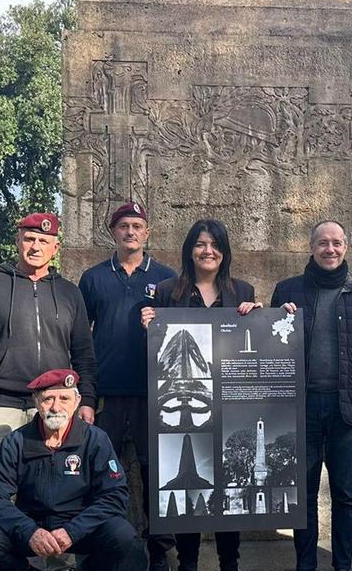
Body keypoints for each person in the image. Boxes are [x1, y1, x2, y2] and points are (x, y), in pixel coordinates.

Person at [0, 212, 97, 522]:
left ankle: (58, 563)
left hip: (54, 405)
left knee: (58, 486)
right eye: (30, 239)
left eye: (44, 241)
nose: (36, 246)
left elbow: (84, 353)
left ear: (55, 248)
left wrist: (86, 399)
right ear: (18, 240)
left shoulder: (70, 293)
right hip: (0, 403)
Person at [141, 219, 261, 571]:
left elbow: (257, 346)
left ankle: (229, 563)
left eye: (215, 245)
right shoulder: (167, 291)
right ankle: (187, 563)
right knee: (188, 490)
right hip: (183, 405)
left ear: (224, 252)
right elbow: (154, 354)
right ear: (189, 250)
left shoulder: (243, 290)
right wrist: (148, 327)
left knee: (228, 487)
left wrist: (258, 316)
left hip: (231, 403)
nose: (208, 251)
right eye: (200, 244)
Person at [270, 220, 352, 571]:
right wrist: (275, 320)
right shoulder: (287, 291)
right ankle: (305, 565)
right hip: (301, 409)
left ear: (346, 247)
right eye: (323, 243)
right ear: (311, 247)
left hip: (348, 409)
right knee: (303, 495)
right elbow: (272, 347)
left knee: (346, 495)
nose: (330, 249)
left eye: (337, 243)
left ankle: (342, 565)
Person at [78, 201, 177, 570]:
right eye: (123, 226)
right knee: (103, 475)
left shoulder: (167, 278)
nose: (130, 232)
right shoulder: (93, 278)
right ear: (113, 232)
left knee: (157, 475)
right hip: (108, 395)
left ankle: (159, 551)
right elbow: (80, 339)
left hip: (156, 395)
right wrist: (86, 395)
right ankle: (106, 547)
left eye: (137, 225)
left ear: (147, 233)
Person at [0, 369, 135, 571]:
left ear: (76, 401)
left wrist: (72, 531)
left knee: (122, 535)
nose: (56, 407)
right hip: (31, 526)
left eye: (64, 398)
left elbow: (115, 494)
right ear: (36, 402)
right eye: (48, 399)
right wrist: (30, 531)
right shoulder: (17, 441)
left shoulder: (95, 439)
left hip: (78, 526)